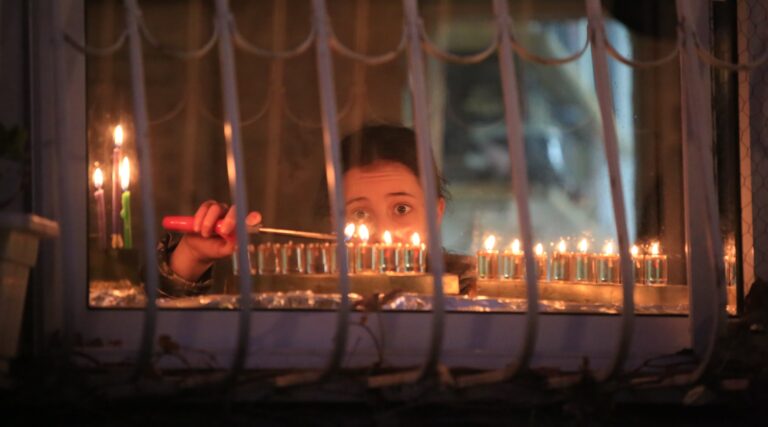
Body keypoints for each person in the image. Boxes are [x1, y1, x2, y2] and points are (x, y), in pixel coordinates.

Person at [156, 125, 476, 297]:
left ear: (436, 213)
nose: (382, 230)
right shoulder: (308, 295)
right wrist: (192, 257)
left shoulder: (472, 285)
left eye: (402, 208)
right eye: (360, 214)